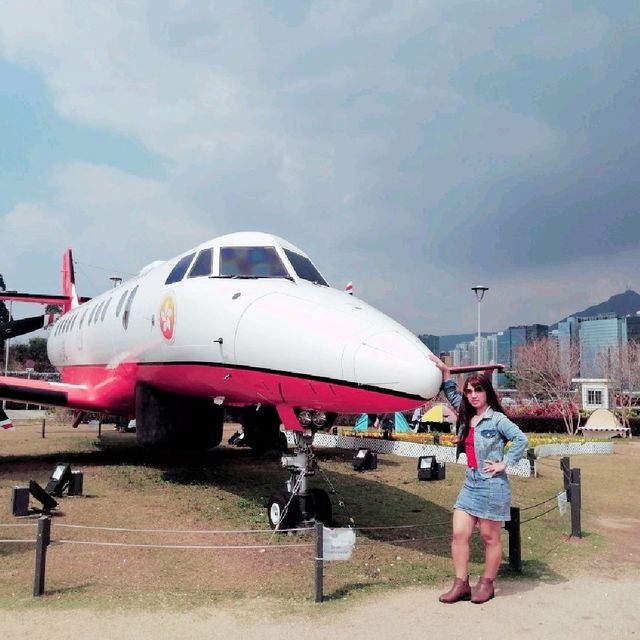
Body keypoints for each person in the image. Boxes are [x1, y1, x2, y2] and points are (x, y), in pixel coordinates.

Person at [429, 355, 528, 604]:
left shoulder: (496, 419)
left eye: (478, 390)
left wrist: (505, 463)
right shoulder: (466, 414)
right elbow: (452, 394)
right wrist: (446, 374)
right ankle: (461, 584)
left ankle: (486, 584)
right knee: (459, 534)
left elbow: (521, 439)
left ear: (487, 393)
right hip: (470, 482)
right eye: (469, 391)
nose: (473, 395)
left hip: (492, 484)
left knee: (489, 537)